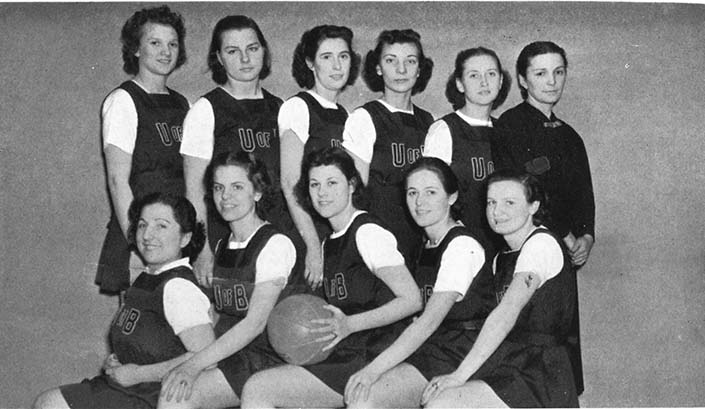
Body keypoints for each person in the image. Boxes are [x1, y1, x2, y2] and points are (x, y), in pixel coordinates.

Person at [240, 147, 422, 409]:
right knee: (258, 388)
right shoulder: (329, 242)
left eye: (332, 183)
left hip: (384, 352)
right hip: (350, 351)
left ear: (351, 185)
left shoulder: (367, 232)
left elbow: (412, 300)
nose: (322, 192)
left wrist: (350, 324)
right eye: (315, 184)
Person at [34, 193, 213, 409]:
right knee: (50, 402)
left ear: (185, 238)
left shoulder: (179, 287)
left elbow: (207, 358)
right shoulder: (147, 278)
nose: (147, 235)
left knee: (53, 405)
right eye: (142, 225)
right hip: (127, 387)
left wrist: (137, 374)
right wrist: (119, 361)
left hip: (154, 395)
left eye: (161, 226)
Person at [157, 151, 305, 409]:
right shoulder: (224, 244)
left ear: (257, 192)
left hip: (269, 358)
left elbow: (255, 324)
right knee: (172, 385)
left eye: (237, 187)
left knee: (177, 396)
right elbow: (218, 316)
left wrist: (193, 365)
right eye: (218, 187)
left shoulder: (275, 244)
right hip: (234, 355)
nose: (225, 196)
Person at [343, 157, 494, 408]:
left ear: (452, 197)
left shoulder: (461, 246)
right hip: (434, 348)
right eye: (412, 193)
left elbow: (428, 321)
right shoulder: (426, 244)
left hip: (463, 352)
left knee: (365, 397)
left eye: (431, 192)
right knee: (362, 397)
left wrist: (372, 370)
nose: (419, 202)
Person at [420, 169, 579, 408]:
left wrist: (458, 375)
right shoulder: (499, 259)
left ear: (533, 206)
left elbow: (506, 314)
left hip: (541, 370)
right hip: (510, 360)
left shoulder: (540, 245)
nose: (497, 211)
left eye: (509, 202)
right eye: (491, 202)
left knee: (444, 403)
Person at [495, 41, 594, 393]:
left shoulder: (570, 136)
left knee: (561, 364)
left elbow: (584, 194)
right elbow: (522, 193)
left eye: (558, 72)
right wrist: (565, 234)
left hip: (565, 258)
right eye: (540, 73)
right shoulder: (509, 127)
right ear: (523, 80)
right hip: (530, 254)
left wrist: (586, 236)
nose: (551, 81)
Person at [179, 15, 292, 288]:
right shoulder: (206, 110)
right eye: (233, 51)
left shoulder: (281, 108)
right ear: (218, 58)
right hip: (225, 235)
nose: (245, 59)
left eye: (252, 49)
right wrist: (202, 250)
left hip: (276, 232)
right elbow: (194, 189)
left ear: (264, 52)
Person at [95, 6, 191, 295]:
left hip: (175, 233)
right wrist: (138, 240)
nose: (166, 51)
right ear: (136, 49)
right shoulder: (124, 100)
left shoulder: (181, 103)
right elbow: (117, 180)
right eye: (155, 43)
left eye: (172, 44)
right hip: (144, 237)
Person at [279, 25, 361, 291]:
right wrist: (313, 245)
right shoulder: (298, 107)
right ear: (310, 63)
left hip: (334, 232)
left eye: (344, 56)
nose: (337, 65)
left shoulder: (345, 115)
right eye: (326, 57)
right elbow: (290, 180)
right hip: (305, 232)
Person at [342, 29, 434, 267]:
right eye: (391, 61)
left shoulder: (429, 122)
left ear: (420, 69)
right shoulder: (364, 118)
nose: (401, 70)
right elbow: (354, 196)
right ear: (378, 68)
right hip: (378, 240)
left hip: (420, 240)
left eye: (410, 61)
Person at [423, 47, 509, 256]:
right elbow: (430, 196)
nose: (484, 82)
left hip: (501, 244)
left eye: (491, 74)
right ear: (460, 84)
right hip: (460, 245)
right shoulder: (444, 130)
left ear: (500, 82)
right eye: (474, 75)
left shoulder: (506, 132)